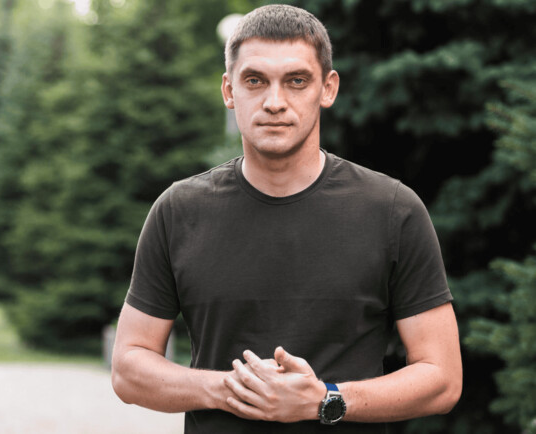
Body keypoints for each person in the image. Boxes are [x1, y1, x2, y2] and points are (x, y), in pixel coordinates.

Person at [111, 4, 462, 433]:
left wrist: (326, 400)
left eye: (296, 81)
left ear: (327, 88)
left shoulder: (392, 210)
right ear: (229, 91)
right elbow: (129, 368)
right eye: (255, 81)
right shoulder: (178, 211)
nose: (274, 102)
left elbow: (443, 378)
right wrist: (233, 389)